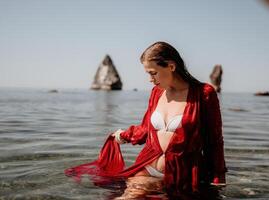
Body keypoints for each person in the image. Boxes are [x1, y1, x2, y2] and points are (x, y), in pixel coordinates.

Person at [65, 41, 227, 198]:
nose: (150, 79)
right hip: (148, 167)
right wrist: (124, 135)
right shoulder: (156, 92)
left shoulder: (204, 93)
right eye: (148, 73)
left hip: (182, 175)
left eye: (153, 73)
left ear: (171, 66)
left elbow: (214, 141)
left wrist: (218, 179)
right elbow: (146, 129)